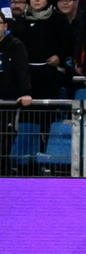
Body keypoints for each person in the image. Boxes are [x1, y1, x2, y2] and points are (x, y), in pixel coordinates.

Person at [0, 10, 32, 176]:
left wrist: (25, 92)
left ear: (5, 26)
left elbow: (22, 71)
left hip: (7, 104)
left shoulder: (15, 45)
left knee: (3, 143)